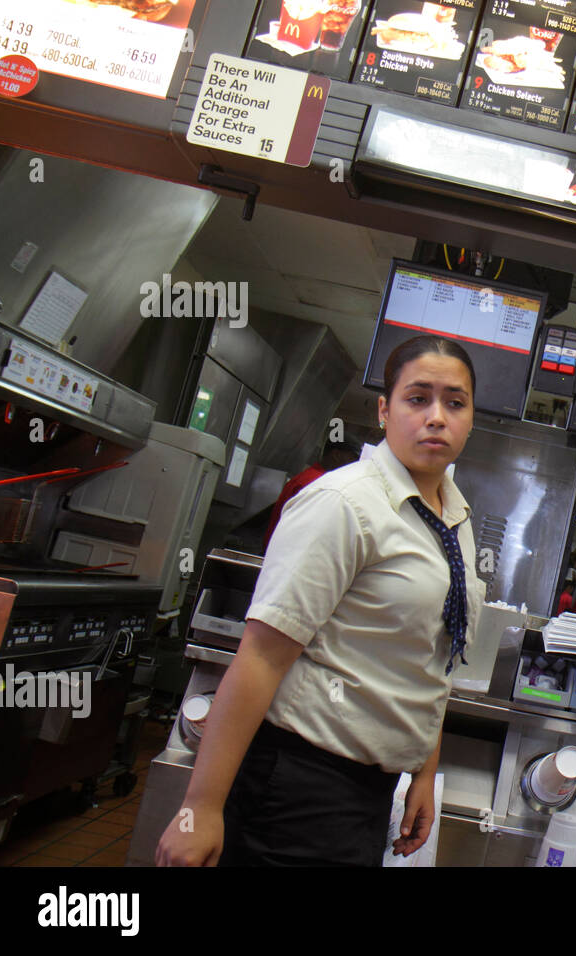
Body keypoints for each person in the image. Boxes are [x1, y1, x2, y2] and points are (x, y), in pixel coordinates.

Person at [156, 335, 485, 866]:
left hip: (370, 790)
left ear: (471, 417)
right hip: (299, 783)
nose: (436, 417)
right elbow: (261, 657)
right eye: (417, 398)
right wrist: (200, 809)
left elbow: (430, 658)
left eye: (455, 402)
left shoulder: (453, 517)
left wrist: (423, 771)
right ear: (384, 409)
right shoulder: (343, 503)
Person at [263, 440, 361, 549]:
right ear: (336, 455)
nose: (355, 464)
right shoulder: (316, 483)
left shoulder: (314, 477)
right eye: (353, 458)